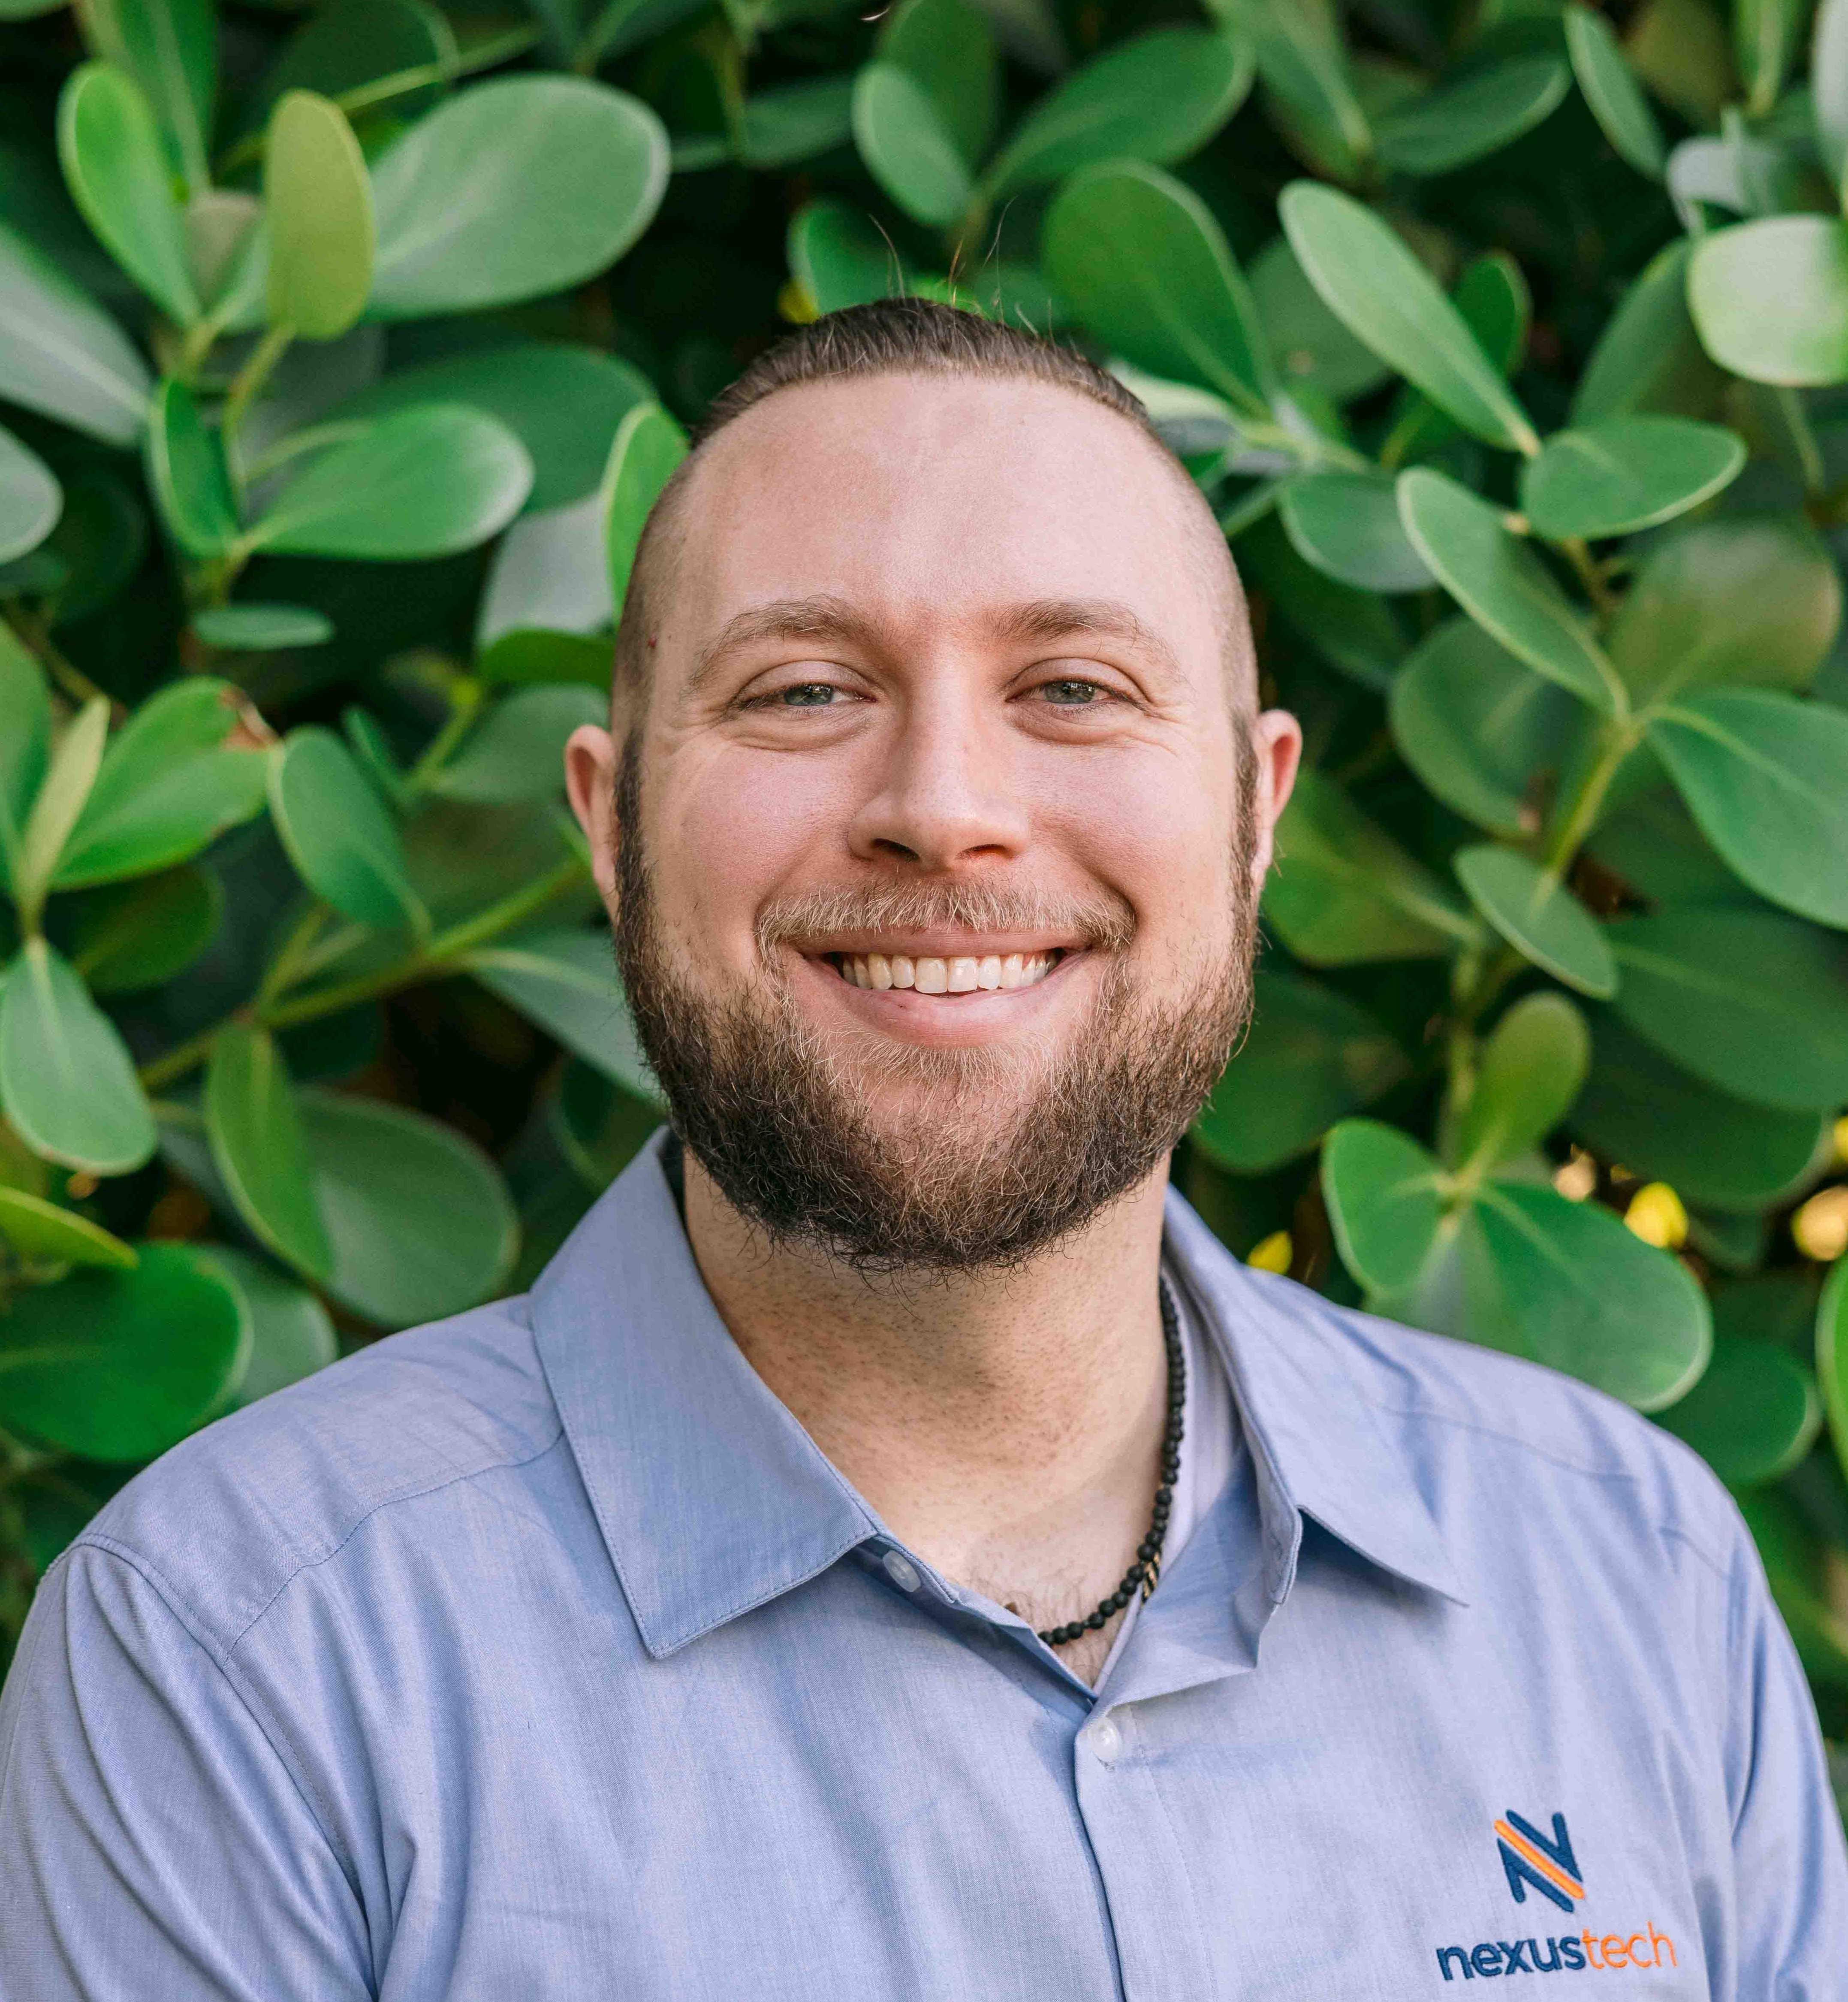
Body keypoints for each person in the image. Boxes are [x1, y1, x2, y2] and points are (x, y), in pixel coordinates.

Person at [0, 301, 1842, 1999]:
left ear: (1255, 810)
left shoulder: (1632, 1574)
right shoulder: (241, 1664)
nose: (944, 810)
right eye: (804, 689)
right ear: (612, 829)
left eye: (1074, 687)